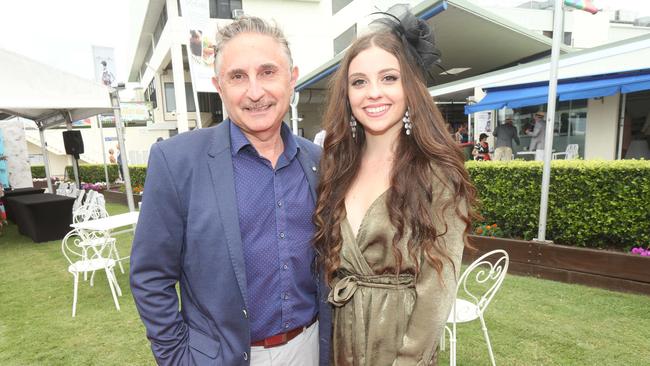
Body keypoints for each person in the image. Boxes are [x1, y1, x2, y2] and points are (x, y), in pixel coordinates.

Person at [129, 16, 331, 366]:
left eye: (268, 72)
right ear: (219, 86)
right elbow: (150, 275)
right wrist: (178, 358)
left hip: (310, 348)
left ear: (292, 78)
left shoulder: (319, 161)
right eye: (238, 76)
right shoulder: (177, 161)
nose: (255, 92)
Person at [313, 6, 475, 365]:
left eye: (389, 78)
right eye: (359, 82)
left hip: (400, 342)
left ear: (410, 87)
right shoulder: (335, 167)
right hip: (342, 337)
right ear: (347, 93)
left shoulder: (438, 173)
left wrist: (409, 358)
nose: (373, 93)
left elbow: (438, 289)